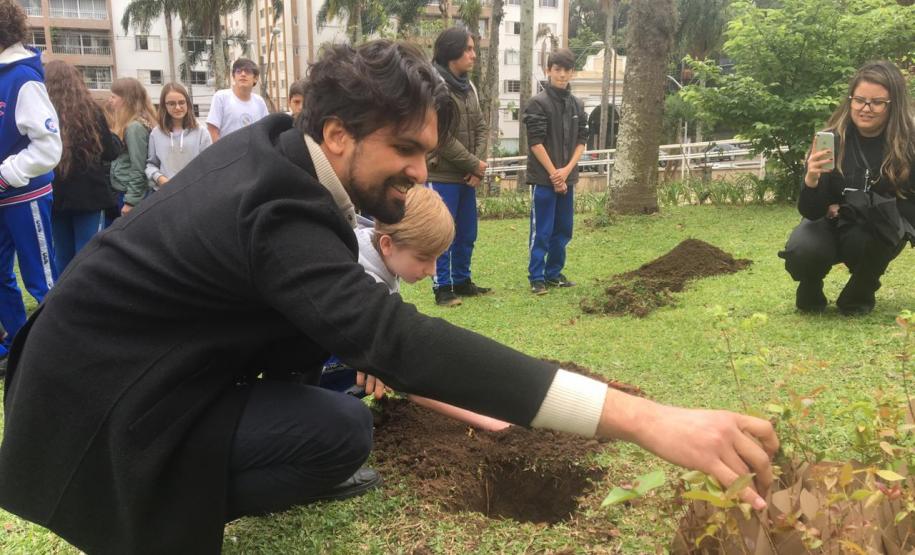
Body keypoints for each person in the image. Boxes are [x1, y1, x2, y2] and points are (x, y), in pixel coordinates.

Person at [0, 40, 777, 554]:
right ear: (337, 134)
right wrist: (640, 416)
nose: (417, 174)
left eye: (426, 154)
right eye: (404, 152)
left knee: (333, 422)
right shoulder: (276, 208)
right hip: (91, 399)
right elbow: (400, 342)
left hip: (119, 368)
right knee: (336, 430)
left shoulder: (282, 151)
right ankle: (150, 511)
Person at [323, 186, 511, 432]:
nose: (433, 271)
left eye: (437, 259)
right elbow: (409, 375)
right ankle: (318, 419)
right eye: (424, 258)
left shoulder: (372, 253)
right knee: (386, 364)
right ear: (388, 244)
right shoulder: (358, 283)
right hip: (299, 376)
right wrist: (493, 423)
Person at [779, 61, 915, 315]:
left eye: (877, 102)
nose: (866, 108)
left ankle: (861, 288)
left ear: (892, 106)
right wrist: (811, 179)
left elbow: (909, 203)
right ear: (850, 100)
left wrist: (861, 207)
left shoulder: (907, 145)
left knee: (875, 237)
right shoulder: (833, 139)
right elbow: (811, 211)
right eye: (859, 100)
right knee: (802, 250)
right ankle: (810, 283)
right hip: (827, 222)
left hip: (875, 228)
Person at [0, 0, 62, 359]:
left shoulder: (22, 77)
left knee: (41, 277)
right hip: (4, 195)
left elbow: (50, 147)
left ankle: (56, 348)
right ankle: (15, 346)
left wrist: (7, 174)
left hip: (25, 195)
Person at [427, 26, 490, 307]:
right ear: (452, 51)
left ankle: (462, 281)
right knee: (442, 233)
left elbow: (480, 126)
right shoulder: (434, 86)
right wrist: (474, 163)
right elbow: (440, 137)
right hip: (442, 174)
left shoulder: (470, 86)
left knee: (467, 232)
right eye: (468, 49)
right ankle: (442, 288)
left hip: (467, 175)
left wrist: (477, 167)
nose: (473, 55)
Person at [523, 48, 588, 295]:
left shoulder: (577, 105)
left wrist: (566, 171)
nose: (561, 75)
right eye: (557, 70)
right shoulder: (537, 103)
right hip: (543, 180)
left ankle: (554, 273)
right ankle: (536, 276)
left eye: (566, 70)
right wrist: (554, 174)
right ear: (548, 71)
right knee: (542, 230)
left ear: (572, 73)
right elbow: (535, 142)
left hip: (567, 178)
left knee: (563, 228)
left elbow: (582, 141)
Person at [44, 60, 119, 272]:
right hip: (89, 197)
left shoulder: (42, 114)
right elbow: (109, 153)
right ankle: (88, 302)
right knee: (88, 258)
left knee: (63, 257)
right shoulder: (90, 112)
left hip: (55, 196)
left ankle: (63, 303)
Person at [146, 82, 212, 190]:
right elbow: (151, 165)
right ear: (164, 106)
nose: (177, 107)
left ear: (188, 104)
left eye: (181, 102)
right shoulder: (156, 134)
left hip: (195, 191)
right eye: (171, 103)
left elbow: (208, 164)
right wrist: (160, 178)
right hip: (166, 194)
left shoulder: (201, 132)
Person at [108, 77, 156, 216]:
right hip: (127, 190)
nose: (110, 100)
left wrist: (131, 201)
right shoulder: (132, 124)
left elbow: (138, 166)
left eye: (113, 97)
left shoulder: (134, 127)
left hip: (129, 193)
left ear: (126, 99)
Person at [206, 58, 269, 142]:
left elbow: (266, 130)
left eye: (247, 71)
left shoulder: (259, 102)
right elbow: (212, 130)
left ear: (255, 78)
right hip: (227, 153)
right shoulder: (221, 97)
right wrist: (220, 153)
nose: (243, 74)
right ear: (233, 77)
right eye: (238, 71)